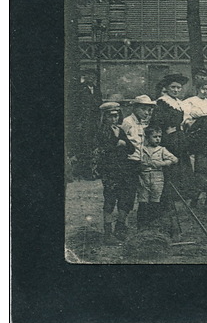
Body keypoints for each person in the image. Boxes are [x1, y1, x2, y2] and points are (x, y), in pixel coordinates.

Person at [153, 73, 192, 238]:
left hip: (179, 142)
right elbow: (158, 124)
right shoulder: (161, 103)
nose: (176, 90)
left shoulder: (179, 103)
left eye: (178, 87)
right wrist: (170, 131)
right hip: (169, 142)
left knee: (179, 177)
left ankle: (172, 215)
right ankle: (165, 218)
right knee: (168, 181)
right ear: (166, 88)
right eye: (173, 87)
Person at [96, 102, 138, 243]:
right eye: (111, 116)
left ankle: (120, 229)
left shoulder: (119, 130)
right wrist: (117, 143)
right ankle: (108, 233)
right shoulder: (101, 131)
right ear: (104, 117)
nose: (114, 119)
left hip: (123, 169)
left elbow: (132, 149)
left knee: (124, 198)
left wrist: (123, 143)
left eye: (116, 115)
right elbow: (105, 149)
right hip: (109, 170)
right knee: (110, 200)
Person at [137, 126, 178, 231]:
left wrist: (162, 163)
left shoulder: (162, 150)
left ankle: (154, 225)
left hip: (157, 178)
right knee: (143, 202)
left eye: (159, 137)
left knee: (155, 201)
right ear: (147, 138)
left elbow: (174, 159)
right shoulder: (141, 149)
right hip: (143, 177)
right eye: (154, 137)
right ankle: (142, 226)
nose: (157, 139)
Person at [69, 68, 102, 180]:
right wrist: (79, 122)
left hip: (94, 122)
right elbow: (75, 108)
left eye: (93, 76)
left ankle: (93, 170)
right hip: (84, 122)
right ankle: (85, 172)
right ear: (85, 77)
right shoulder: (80, 89)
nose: (92, 77)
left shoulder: (97, 90)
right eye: (89, 75)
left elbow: (99, 106)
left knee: (94, 144)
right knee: (84, 146)